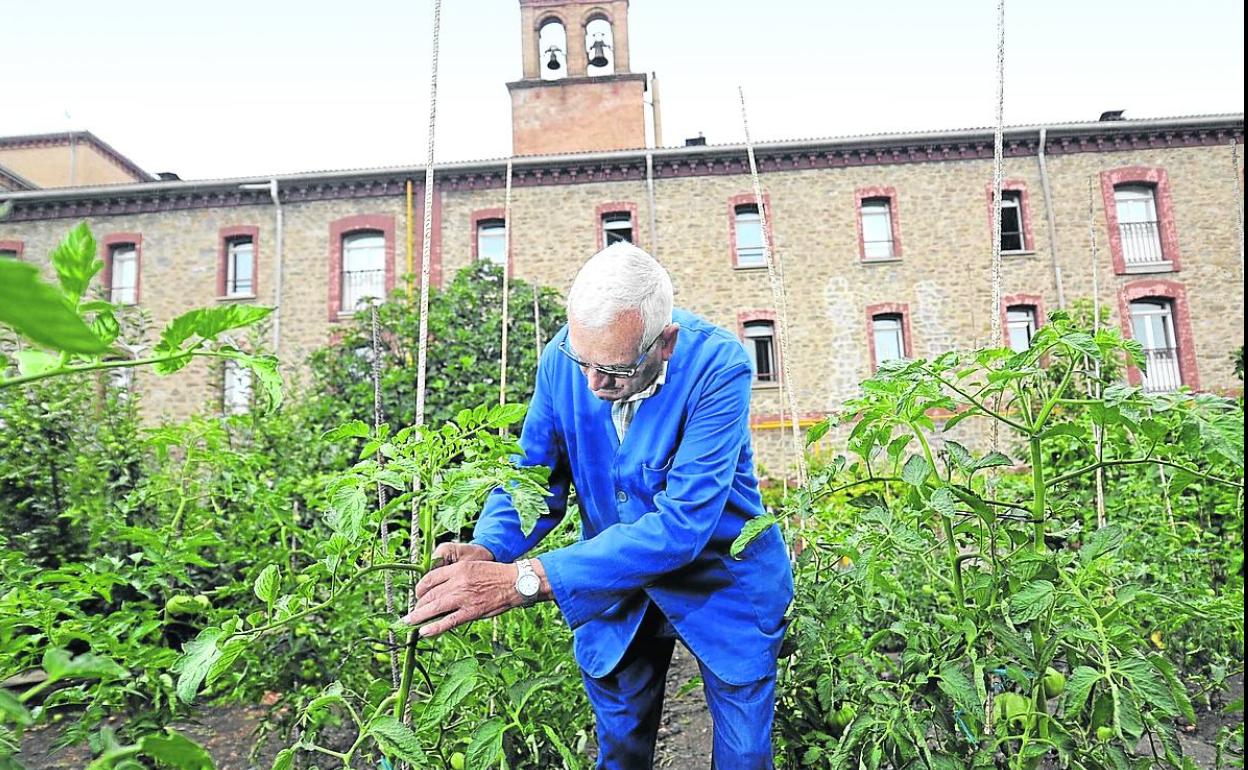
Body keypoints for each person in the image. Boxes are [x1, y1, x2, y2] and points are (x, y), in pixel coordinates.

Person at [403, 243, 793, 769]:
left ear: (666, 343)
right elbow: (534, 478)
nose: (591, 383)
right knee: (620, 752)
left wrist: (526, 579)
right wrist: (490, 547)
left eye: (613, 370)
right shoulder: (560, 360)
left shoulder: (718, 366)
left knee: (745, 756)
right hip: (617, 595)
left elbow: (683, 526)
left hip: (719, 584)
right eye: (581, 360)